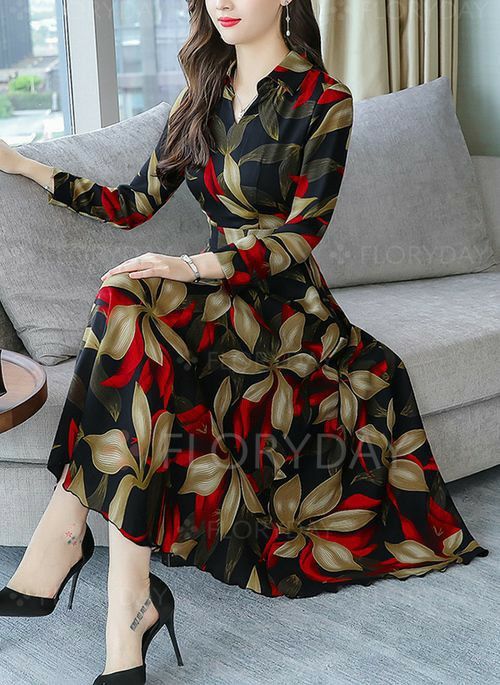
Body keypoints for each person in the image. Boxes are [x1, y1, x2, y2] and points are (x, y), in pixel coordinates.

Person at [0, 0, 489, 683]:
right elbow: (133, 203)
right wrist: (25, 166)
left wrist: (192, 266)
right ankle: (128, 598)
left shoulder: (324, 99)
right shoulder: (201, 94)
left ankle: (66, 539)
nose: (223, 2)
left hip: (287, 311)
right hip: (211, 302)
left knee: (132, 304)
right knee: (124, 302)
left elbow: (300, 237)